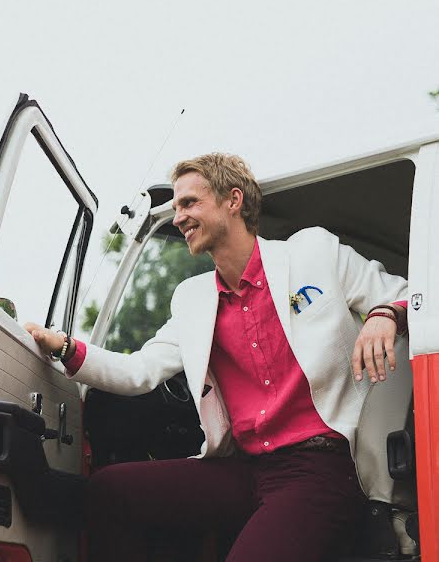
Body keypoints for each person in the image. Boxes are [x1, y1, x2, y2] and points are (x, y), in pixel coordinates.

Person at [25, 153, 408, 561]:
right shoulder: (192, 300)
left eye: (189, 203)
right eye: (175, 208)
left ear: (233, 200)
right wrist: (65, 347)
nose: (178, 217)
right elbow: (139, 370)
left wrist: (384, 314)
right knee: (109, 490)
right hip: (248, 470)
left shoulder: (314, 252)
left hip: (324, 468)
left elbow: (410, 294)